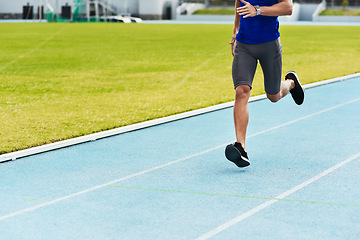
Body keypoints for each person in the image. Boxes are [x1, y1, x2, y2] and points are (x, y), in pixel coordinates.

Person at [225, 0, 305, 168]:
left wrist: (257, 10)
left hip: (270, 44)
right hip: (244, 44)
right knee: (241, 90)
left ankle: (291, 83)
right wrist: (236, 29)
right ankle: (241, 147)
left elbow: (288, 8)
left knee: (273, 95)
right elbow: (239, 2)